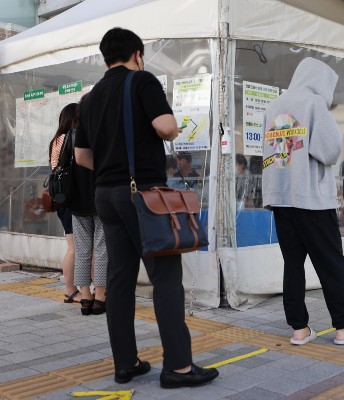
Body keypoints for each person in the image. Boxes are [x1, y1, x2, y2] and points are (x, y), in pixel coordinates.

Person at [74, 27, 218, 388]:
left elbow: (81, 156)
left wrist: (112, 171)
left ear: (106, 57)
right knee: (166, 278)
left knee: (119, 280)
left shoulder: (90, 98)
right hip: (142, 195)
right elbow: (167, 127)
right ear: (138, 54)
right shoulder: (141, 82)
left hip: (105, 194)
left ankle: (126, 364)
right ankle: (179, 368)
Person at [262, 57, 344, 346]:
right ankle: (343, 328)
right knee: (331, 264)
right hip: (312, 199)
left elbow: (271, 153)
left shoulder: (273, 106)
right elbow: (330, 151)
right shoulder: (314, 104)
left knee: (293, 265)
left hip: (280, 198)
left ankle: (299, 329)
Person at [70, 95, 108, 316]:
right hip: (99, 198)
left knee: (83, 251)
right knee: (102, 250)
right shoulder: (102, 135)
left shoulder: (70, 136)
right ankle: (100, 297)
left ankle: (85, 298)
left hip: (77, 201)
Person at [49, 103, 81, 304]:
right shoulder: (71, 138)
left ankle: (73, 289)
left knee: (74, 247)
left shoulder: (55, 140)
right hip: (71, 197)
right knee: (74, 248)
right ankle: (70, 290)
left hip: (61, 197)